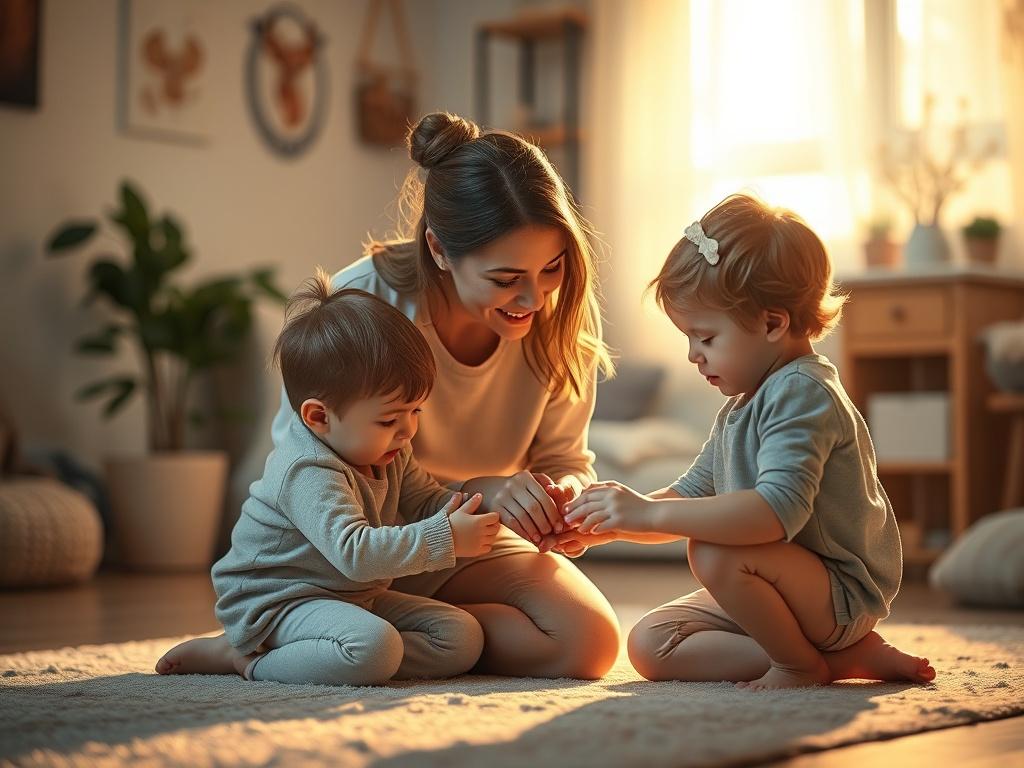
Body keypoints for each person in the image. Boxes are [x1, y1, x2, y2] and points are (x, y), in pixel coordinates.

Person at [160, 111, 620, 680]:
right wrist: (485, 492)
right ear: (439, 249)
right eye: (505, 279)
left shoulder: (559, 315)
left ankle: (370, 637)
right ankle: (288, 639)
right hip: (348, 546)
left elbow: (565, 459)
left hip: (455, 530)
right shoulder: (363, 305)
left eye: (551, 267)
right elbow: (313, 461)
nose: (535, 298)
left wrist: (562, 503)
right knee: (507, 636)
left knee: (589, 645)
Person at [559, 194, 937, 689]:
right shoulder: (742, 406)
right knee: (652, 643)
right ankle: (840, 661)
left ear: (773, 323)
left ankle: (799, 665)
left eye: (706, 337)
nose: (694, 355)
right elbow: (691, 494)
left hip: (838, 596)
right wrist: (617, 523)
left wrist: (646, 514)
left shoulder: (803, 392)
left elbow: (774, 513)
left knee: (714, 552)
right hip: (783, 588)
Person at [158, 275, 500, 685]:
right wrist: (446, 538)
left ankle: (335, 657)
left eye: (416, 412)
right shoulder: (307, 469)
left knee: (461, 636)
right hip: (278, 599)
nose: (408, 430)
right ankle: (243, 658)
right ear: (318, 417)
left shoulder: (389, 450)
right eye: (390, 418)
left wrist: (478, 508)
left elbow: (426, 499)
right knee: (375, 647)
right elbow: (355, 553)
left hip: (351, 595)